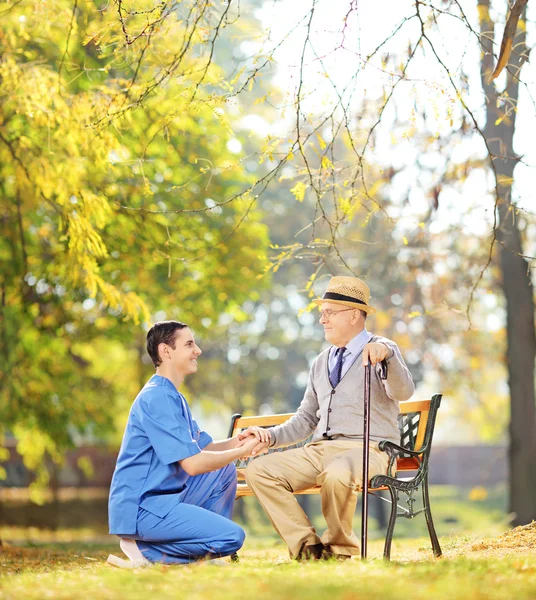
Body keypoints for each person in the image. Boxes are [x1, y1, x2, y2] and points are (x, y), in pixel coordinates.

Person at [244, 276, 415, 561]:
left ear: (353, 316)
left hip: (369, 450)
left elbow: (404, 391)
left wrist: (388, 354)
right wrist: (271, 436)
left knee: (337, 473)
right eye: (321, 312)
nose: (322, 319)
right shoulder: (321, 362)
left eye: (329, 312)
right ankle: (309, 548)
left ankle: (340, 549)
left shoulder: (381, 349)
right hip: (320, 449)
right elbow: (305, 418)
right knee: (259, 470)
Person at [107, 320, 260, 568]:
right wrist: (240, 452)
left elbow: (204, 448)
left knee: (223, 471)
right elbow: (193, 464)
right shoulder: (156, 397)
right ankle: (146, 550)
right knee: (233, 536)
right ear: (165, 351)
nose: (197, 350)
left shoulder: (172, 396)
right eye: (189, 344)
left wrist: (240, 440)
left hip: (165, 500)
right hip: (143, 509)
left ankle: (210, 552)